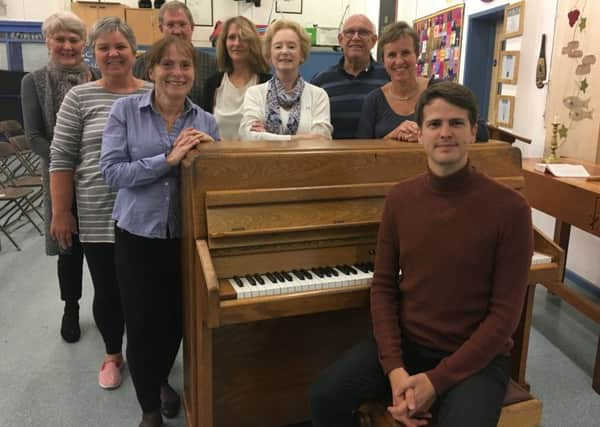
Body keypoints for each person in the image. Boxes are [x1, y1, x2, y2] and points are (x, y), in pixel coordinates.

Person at [310, 81, 533, 427]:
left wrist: (435, 381)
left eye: (456, 123)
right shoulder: (400, 198)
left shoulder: (511, 208)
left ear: (474, 132)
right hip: (410, 345)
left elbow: (504, 318)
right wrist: (395, 370)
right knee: (324, 397)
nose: (445, 133)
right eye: (434, 124)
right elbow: (383, 287)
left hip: (476, 359)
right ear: (420, 134)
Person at [100, 36, 219, 427]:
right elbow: (112, 173)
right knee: (142, 322)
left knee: (176, 321)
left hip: (185, 240)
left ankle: (161, 379)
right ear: (150, 70)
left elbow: (213, 185)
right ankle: (149, 405)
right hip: (137, 235)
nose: (177, 73)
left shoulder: (206, 121)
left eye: (185, 65)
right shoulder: (124, 111)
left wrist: (208, 157)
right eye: (167, 65)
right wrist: (168, 160)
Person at [49, 17, 152, 391]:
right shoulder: (79, 97)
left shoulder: (153, 93)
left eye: (120, 46)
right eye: (104, 47)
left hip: (147, 217)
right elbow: (61, 157)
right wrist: (62, 212)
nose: (113, 53)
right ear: (94, 53)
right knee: (108, 292)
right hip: (96, 214)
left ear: (134, 52)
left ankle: (149, 363)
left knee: (145, 294)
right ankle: (113, 354)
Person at [20, 12, 99, 344]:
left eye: (74, 39)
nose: (67, 46)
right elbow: (34, 136)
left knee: (101, 246)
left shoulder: (96, 75)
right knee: (69, 249)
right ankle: (71, 307)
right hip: (58, 179)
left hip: (98, 179)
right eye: (60, 39)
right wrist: (67, 163)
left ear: (83, 43)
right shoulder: (33, 81)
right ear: (47, 41)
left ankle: (108, 305)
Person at [239, 19, 332, 141]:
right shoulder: (255, 94)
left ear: (302, 54)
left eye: (291, 46)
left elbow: (321, 139)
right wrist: (298, 138)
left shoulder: (318, 96)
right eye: (278, 46)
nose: (284, 51)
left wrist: (267, 135)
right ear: (269, 53)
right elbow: (248, 136)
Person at [311, 14, 388, 139]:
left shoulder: (388, 78)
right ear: (341, 39)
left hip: (377, 156)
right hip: (333, 157)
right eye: (349, 32)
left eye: (363, 32)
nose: (356, 37)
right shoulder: (321, 82)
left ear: (374, 40)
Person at [133, 0, 217, 107]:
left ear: (192, 28)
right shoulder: (144, 63)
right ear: (161, 28)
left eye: (182, 24)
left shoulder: (212, 65)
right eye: (170, 25)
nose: (177, 31)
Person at [201, 16, 270, 140]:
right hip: (217, 157)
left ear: (252, 43)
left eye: (243, 38)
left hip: (255, 157)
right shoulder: (212, 84)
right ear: (224, 43)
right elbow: (203, 129)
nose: (237, 43)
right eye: (232, 37)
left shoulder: (268, 84)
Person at [356, 22, 428, 141]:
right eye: (392, 55)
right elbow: (362, 152)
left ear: (417, 54)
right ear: (383, 60)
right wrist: (392, 136)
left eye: (405, 53)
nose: (399, 61)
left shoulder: (438, 92)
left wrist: (422, 136)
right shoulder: (373, 101)